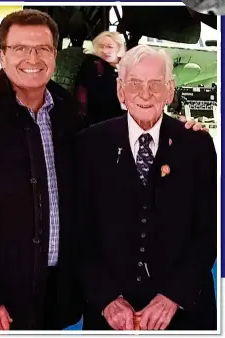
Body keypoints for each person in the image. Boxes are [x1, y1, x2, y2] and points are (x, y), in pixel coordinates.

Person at [0, 9, 83, 331]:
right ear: (2, 55)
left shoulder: (70, 115)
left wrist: (180, 132)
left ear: (55, 54)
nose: (31, 57)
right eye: (20, 48)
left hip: (55, 299)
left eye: (42, 48)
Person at [75, 45, 217, 330]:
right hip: (111, 315)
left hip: (183, 313)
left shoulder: (197, 145)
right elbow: (79, 233)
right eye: (135, 84)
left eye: (155, 84)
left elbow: (210, 230)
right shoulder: (89, 145)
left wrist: (172, 297)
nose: (145, 93)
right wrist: (107, 300)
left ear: (170, 91)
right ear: (120, 91)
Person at [74, 31, 126, 126]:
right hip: (96, 122)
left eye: (109, 47)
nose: (105, 51)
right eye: (101, 46)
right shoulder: (92, 65)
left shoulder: (127, 67)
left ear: (119, 48)